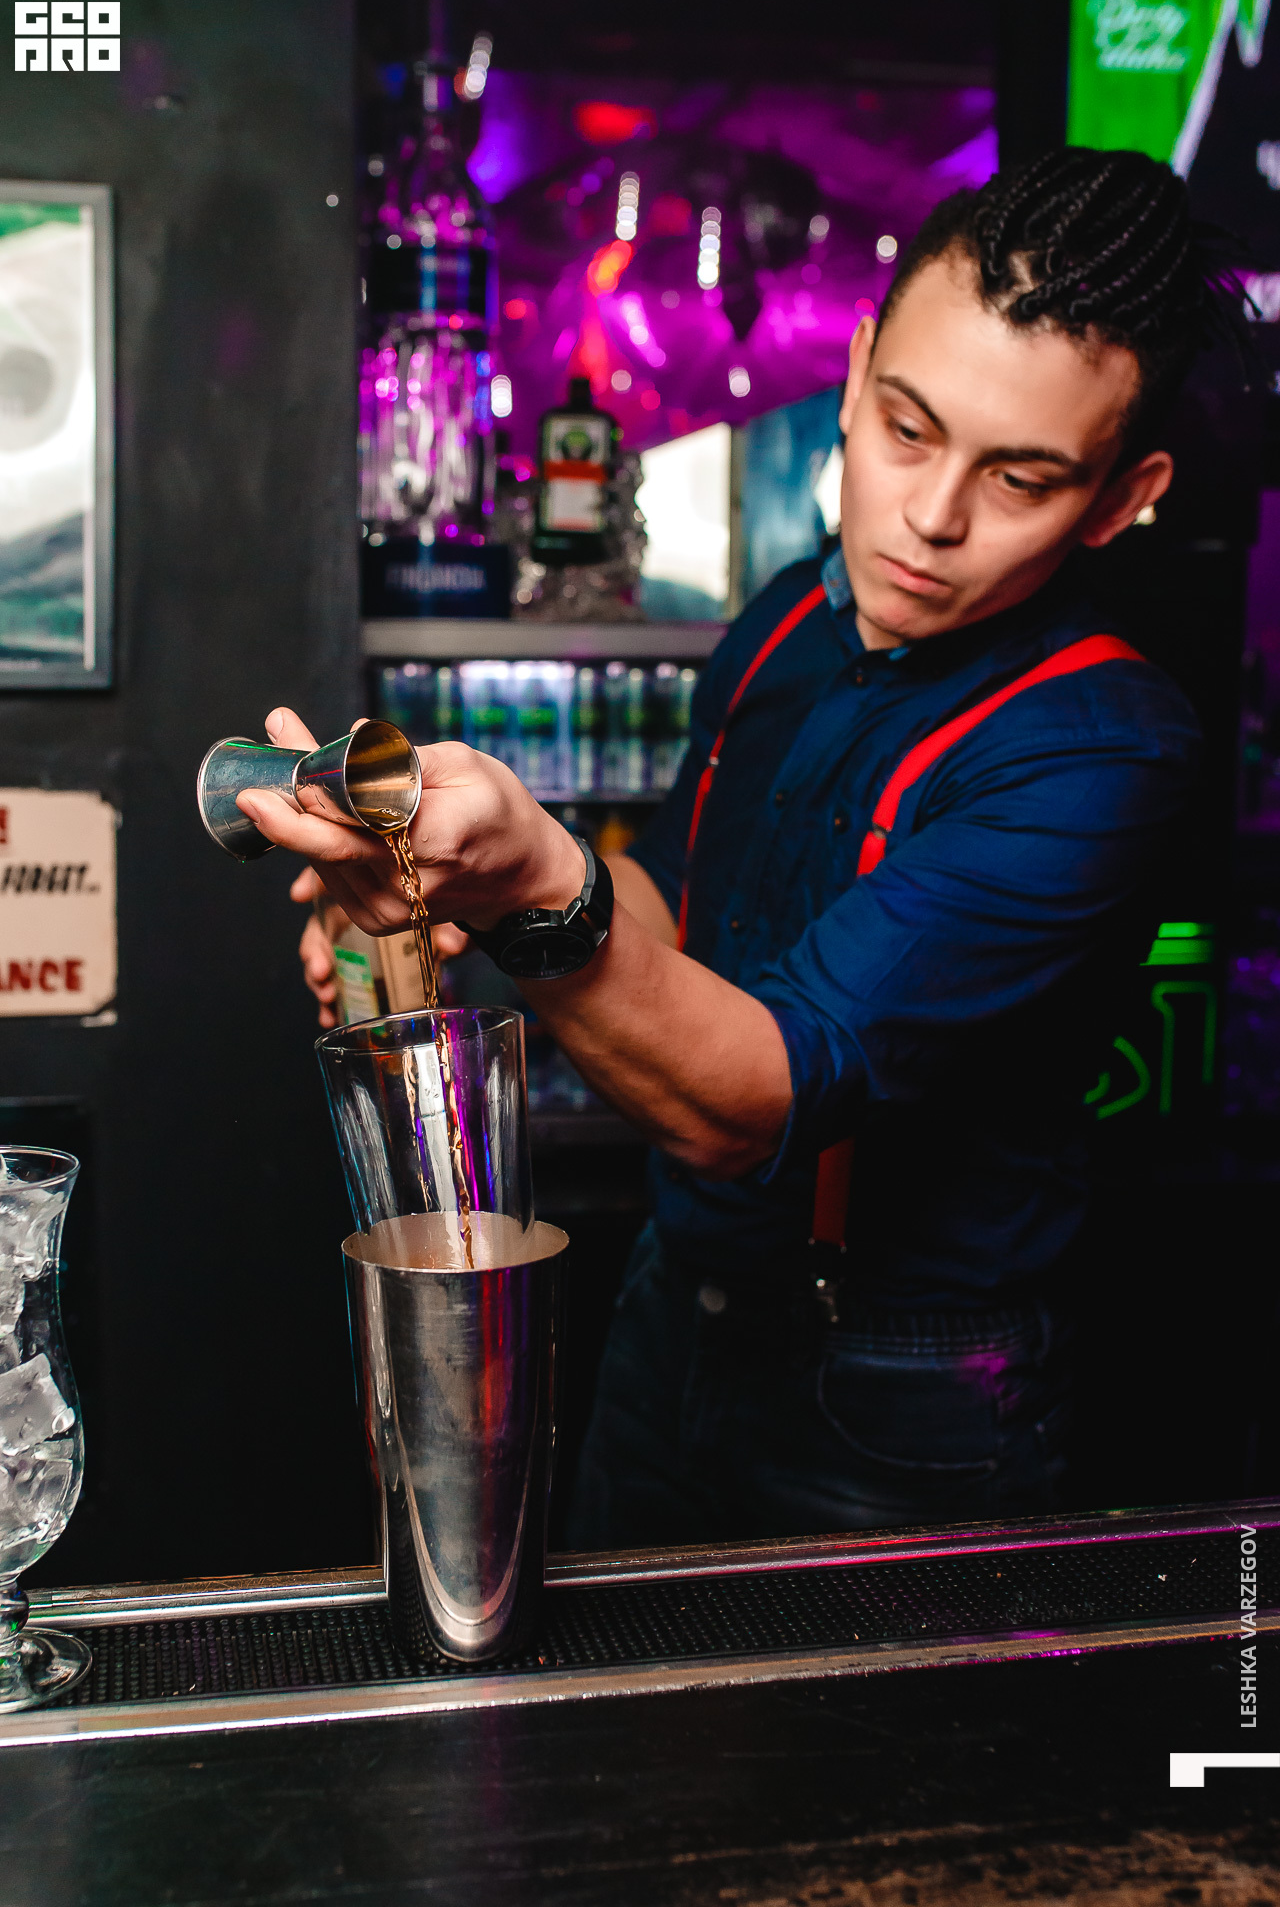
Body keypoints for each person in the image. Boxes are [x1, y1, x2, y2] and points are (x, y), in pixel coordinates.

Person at [243, 148, 1243, 1548]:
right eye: (907, 429)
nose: (932, 516)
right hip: (674, 1304)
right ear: (857, 370)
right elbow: (666, 898)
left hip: (901, 1387)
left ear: (1124, 496)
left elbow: (763, 1097)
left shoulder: (1103, 747)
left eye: (1020, 477)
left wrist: (537, 881)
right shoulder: (786, 620)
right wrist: (439, 902)